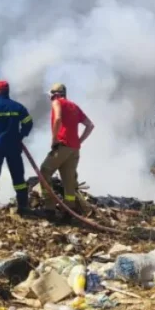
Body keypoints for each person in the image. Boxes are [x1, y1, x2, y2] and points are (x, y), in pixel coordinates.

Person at [39, 83, 95, 220]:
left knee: (44, 171)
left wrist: (54, 139)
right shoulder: (74, 106)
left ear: (55, 94)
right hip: (74, 149)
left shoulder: (57, 102)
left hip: (62, 146)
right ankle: (69, 211)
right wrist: (79, 141)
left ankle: (49, 208)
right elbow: (90, 125)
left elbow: (58, 118)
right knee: (68, 180)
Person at [0, 80, 34, 215]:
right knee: (18, 177)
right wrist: (20, 135)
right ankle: (23, 206)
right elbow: (28, 123)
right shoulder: (18, 107)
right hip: (13, 146)